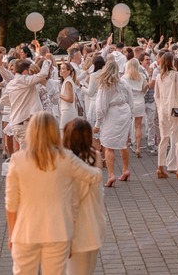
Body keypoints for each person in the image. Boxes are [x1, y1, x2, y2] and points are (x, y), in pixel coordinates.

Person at [5, 112, 103, 275]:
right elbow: (95, 177)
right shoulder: (66, 158)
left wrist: (11, 234)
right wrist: (98, 160)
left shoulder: (17, 160)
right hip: (57, 232)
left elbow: (11, 204)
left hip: (25, 232)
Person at [63, 118, 106, 275]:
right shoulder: (92, 160)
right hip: (94, 229)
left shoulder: (68, 164)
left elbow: (71, 203)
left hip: (76, 235)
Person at [93, 60, 133, 187]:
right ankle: (125, 169)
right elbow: (130, 99)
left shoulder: (105, 86)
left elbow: (100, 108)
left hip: (112, 114)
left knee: (108, 145)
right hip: (124, 111)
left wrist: (97, 124)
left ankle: (111, 175)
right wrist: (130, 113)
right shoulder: (124, 83)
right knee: (123, 143)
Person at [153, 51, 178, 181]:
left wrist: (160, 107)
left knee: (164, 139)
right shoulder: (176, 75)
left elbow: (156, 95)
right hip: (176, 109)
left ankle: (160, 167)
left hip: (163, 111)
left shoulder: (159, 77)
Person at [121, 58, 148, 157]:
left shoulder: (124, 77)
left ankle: (125, 145)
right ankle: (138, 147)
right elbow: (146, 88)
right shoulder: (142, 76)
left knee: (126, 125)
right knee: (138, 126)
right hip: (140, 102)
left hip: (129, 103)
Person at [58, 63, 79, 134]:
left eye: (63, 69)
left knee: (63, 133)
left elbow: (70, 99)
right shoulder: (68, 81)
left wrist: (60, 95)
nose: (60, 70)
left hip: (67, 111)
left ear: (69, 71)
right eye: (60, 68)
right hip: (68, 110)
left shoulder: (67, 82)